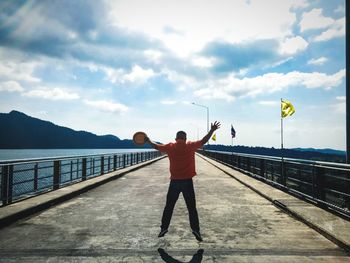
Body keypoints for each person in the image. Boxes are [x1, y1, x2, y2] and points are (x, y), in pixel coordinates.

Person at [145, 121, 221, 241]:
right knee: (191, 208)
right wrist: (212, 130)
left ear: (176, 139)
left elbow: (156, 146)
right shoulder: (190, 146)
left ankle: (164, 228)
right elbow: (203, 141)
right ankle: (196, 230)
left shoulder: (170, 147)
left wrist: (148, 140)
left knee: (169, 206)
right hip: (187, 182)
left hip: (174, 182)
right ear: (185, 139)